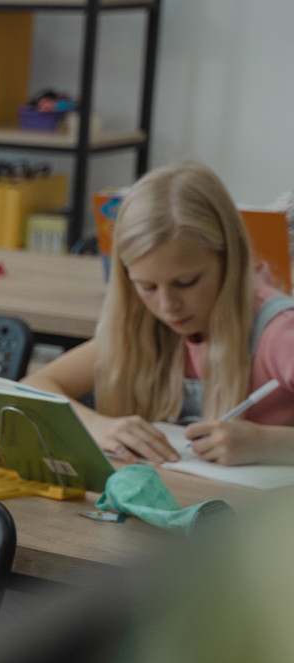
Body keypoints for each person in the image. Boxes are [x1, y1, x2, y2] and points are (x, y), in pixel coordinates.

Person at [24, 161, 294, 466]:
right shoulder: (144, 322)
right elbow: (34, 386)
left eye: (186, 282)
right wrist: (97, 425)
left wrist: (268, 443)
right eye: (147, 286)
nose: (168, 306)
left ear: (229, 259)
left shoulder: (279, 332)